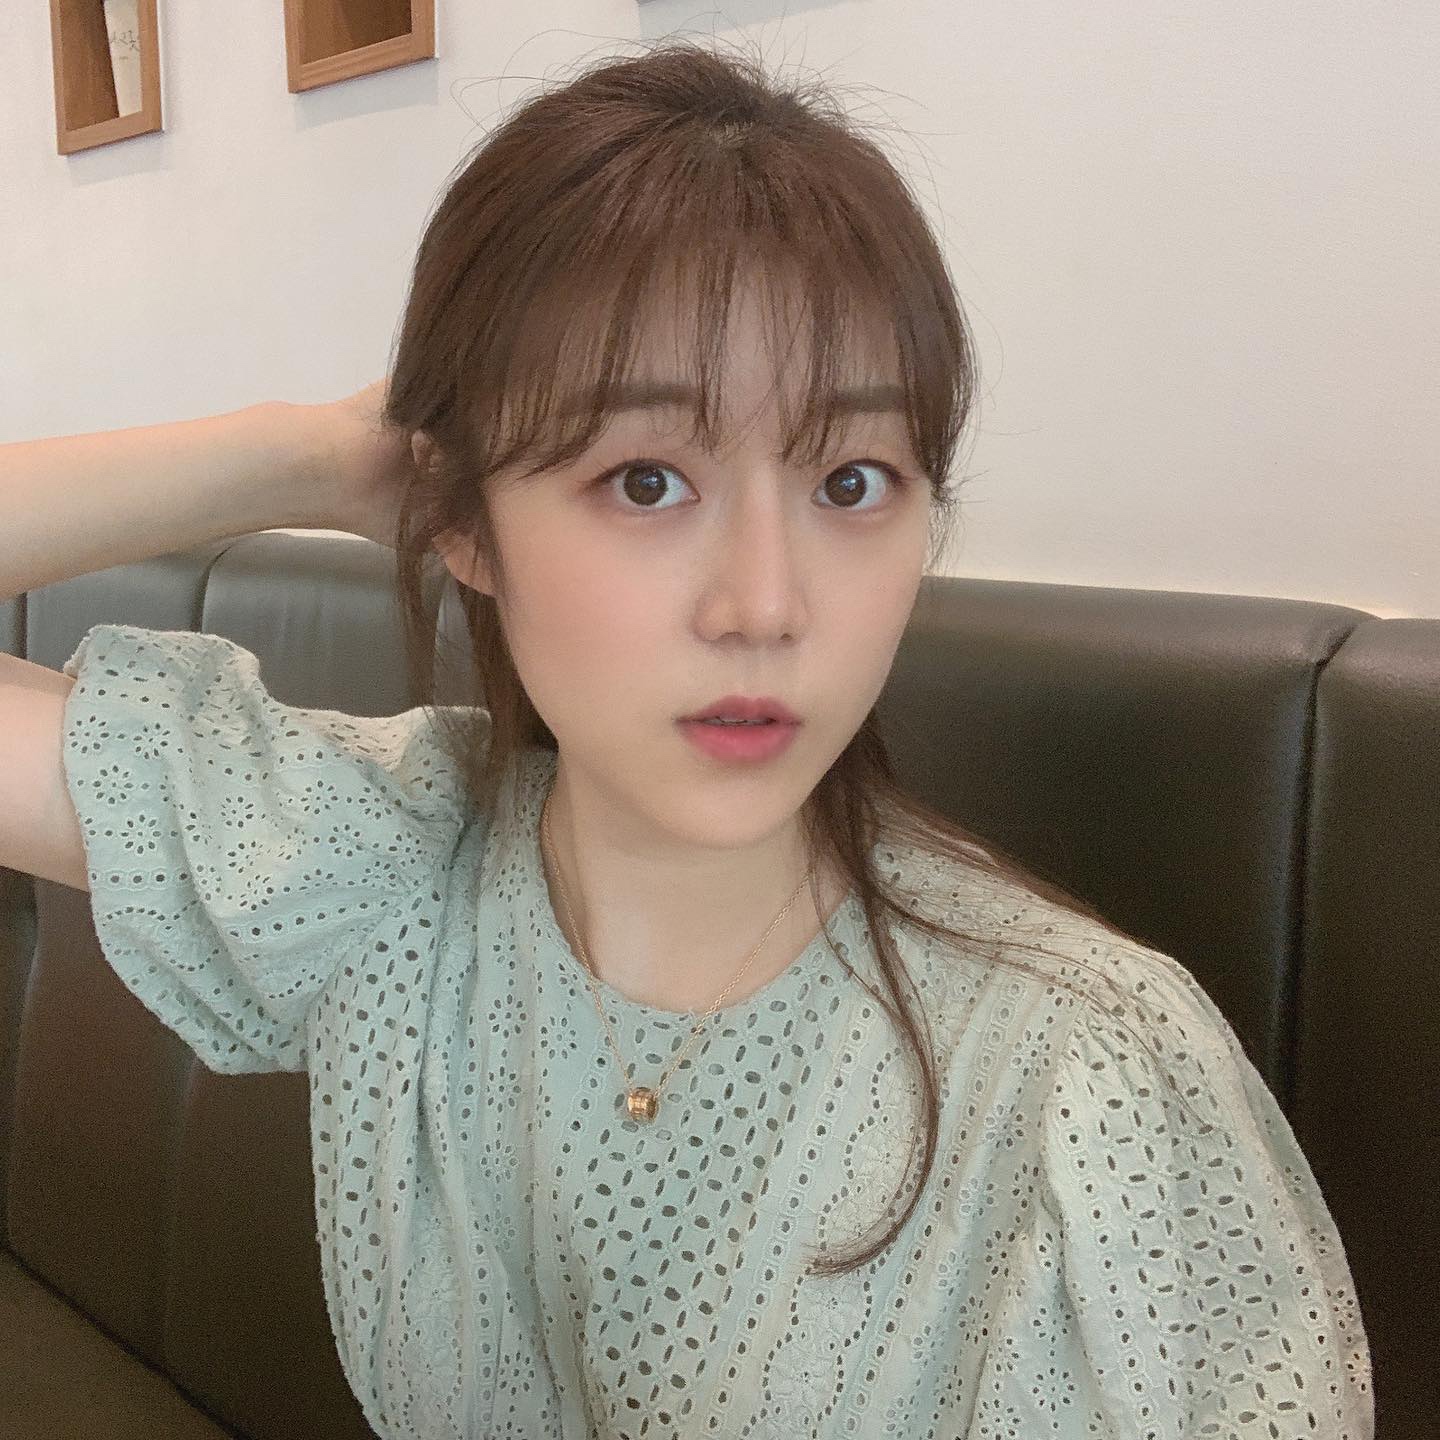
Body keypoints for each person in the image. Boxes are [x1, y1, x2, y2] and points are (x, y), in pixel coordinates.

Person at [0, 35, 1374, 1440]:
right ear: (466, 523)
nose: (766, 606)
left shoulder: (1091, 1088)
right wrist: (298, 457)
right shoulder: (385, 872)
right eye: (646, 480)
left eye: (854, 480)